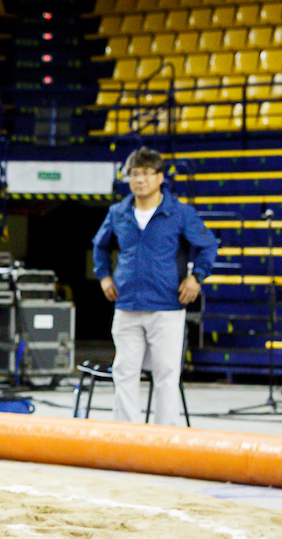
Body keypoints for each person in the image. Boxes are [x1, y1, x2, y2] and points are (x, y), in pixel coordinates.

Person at [92, 147, 217, 427]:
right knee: (124, 372)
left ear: (160, 177)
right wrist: (104, 276)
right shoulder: (118, 212)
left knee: (166, 375)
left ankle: (164, 437)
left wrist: (196, 277)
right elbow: (100, 247)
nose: (140, 180)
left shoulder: (180, 213)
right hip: (127, 305)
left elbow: (208, 245)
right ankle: (126, 435)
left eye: (147, 173)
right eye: (135, 174)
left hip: (166, 307)